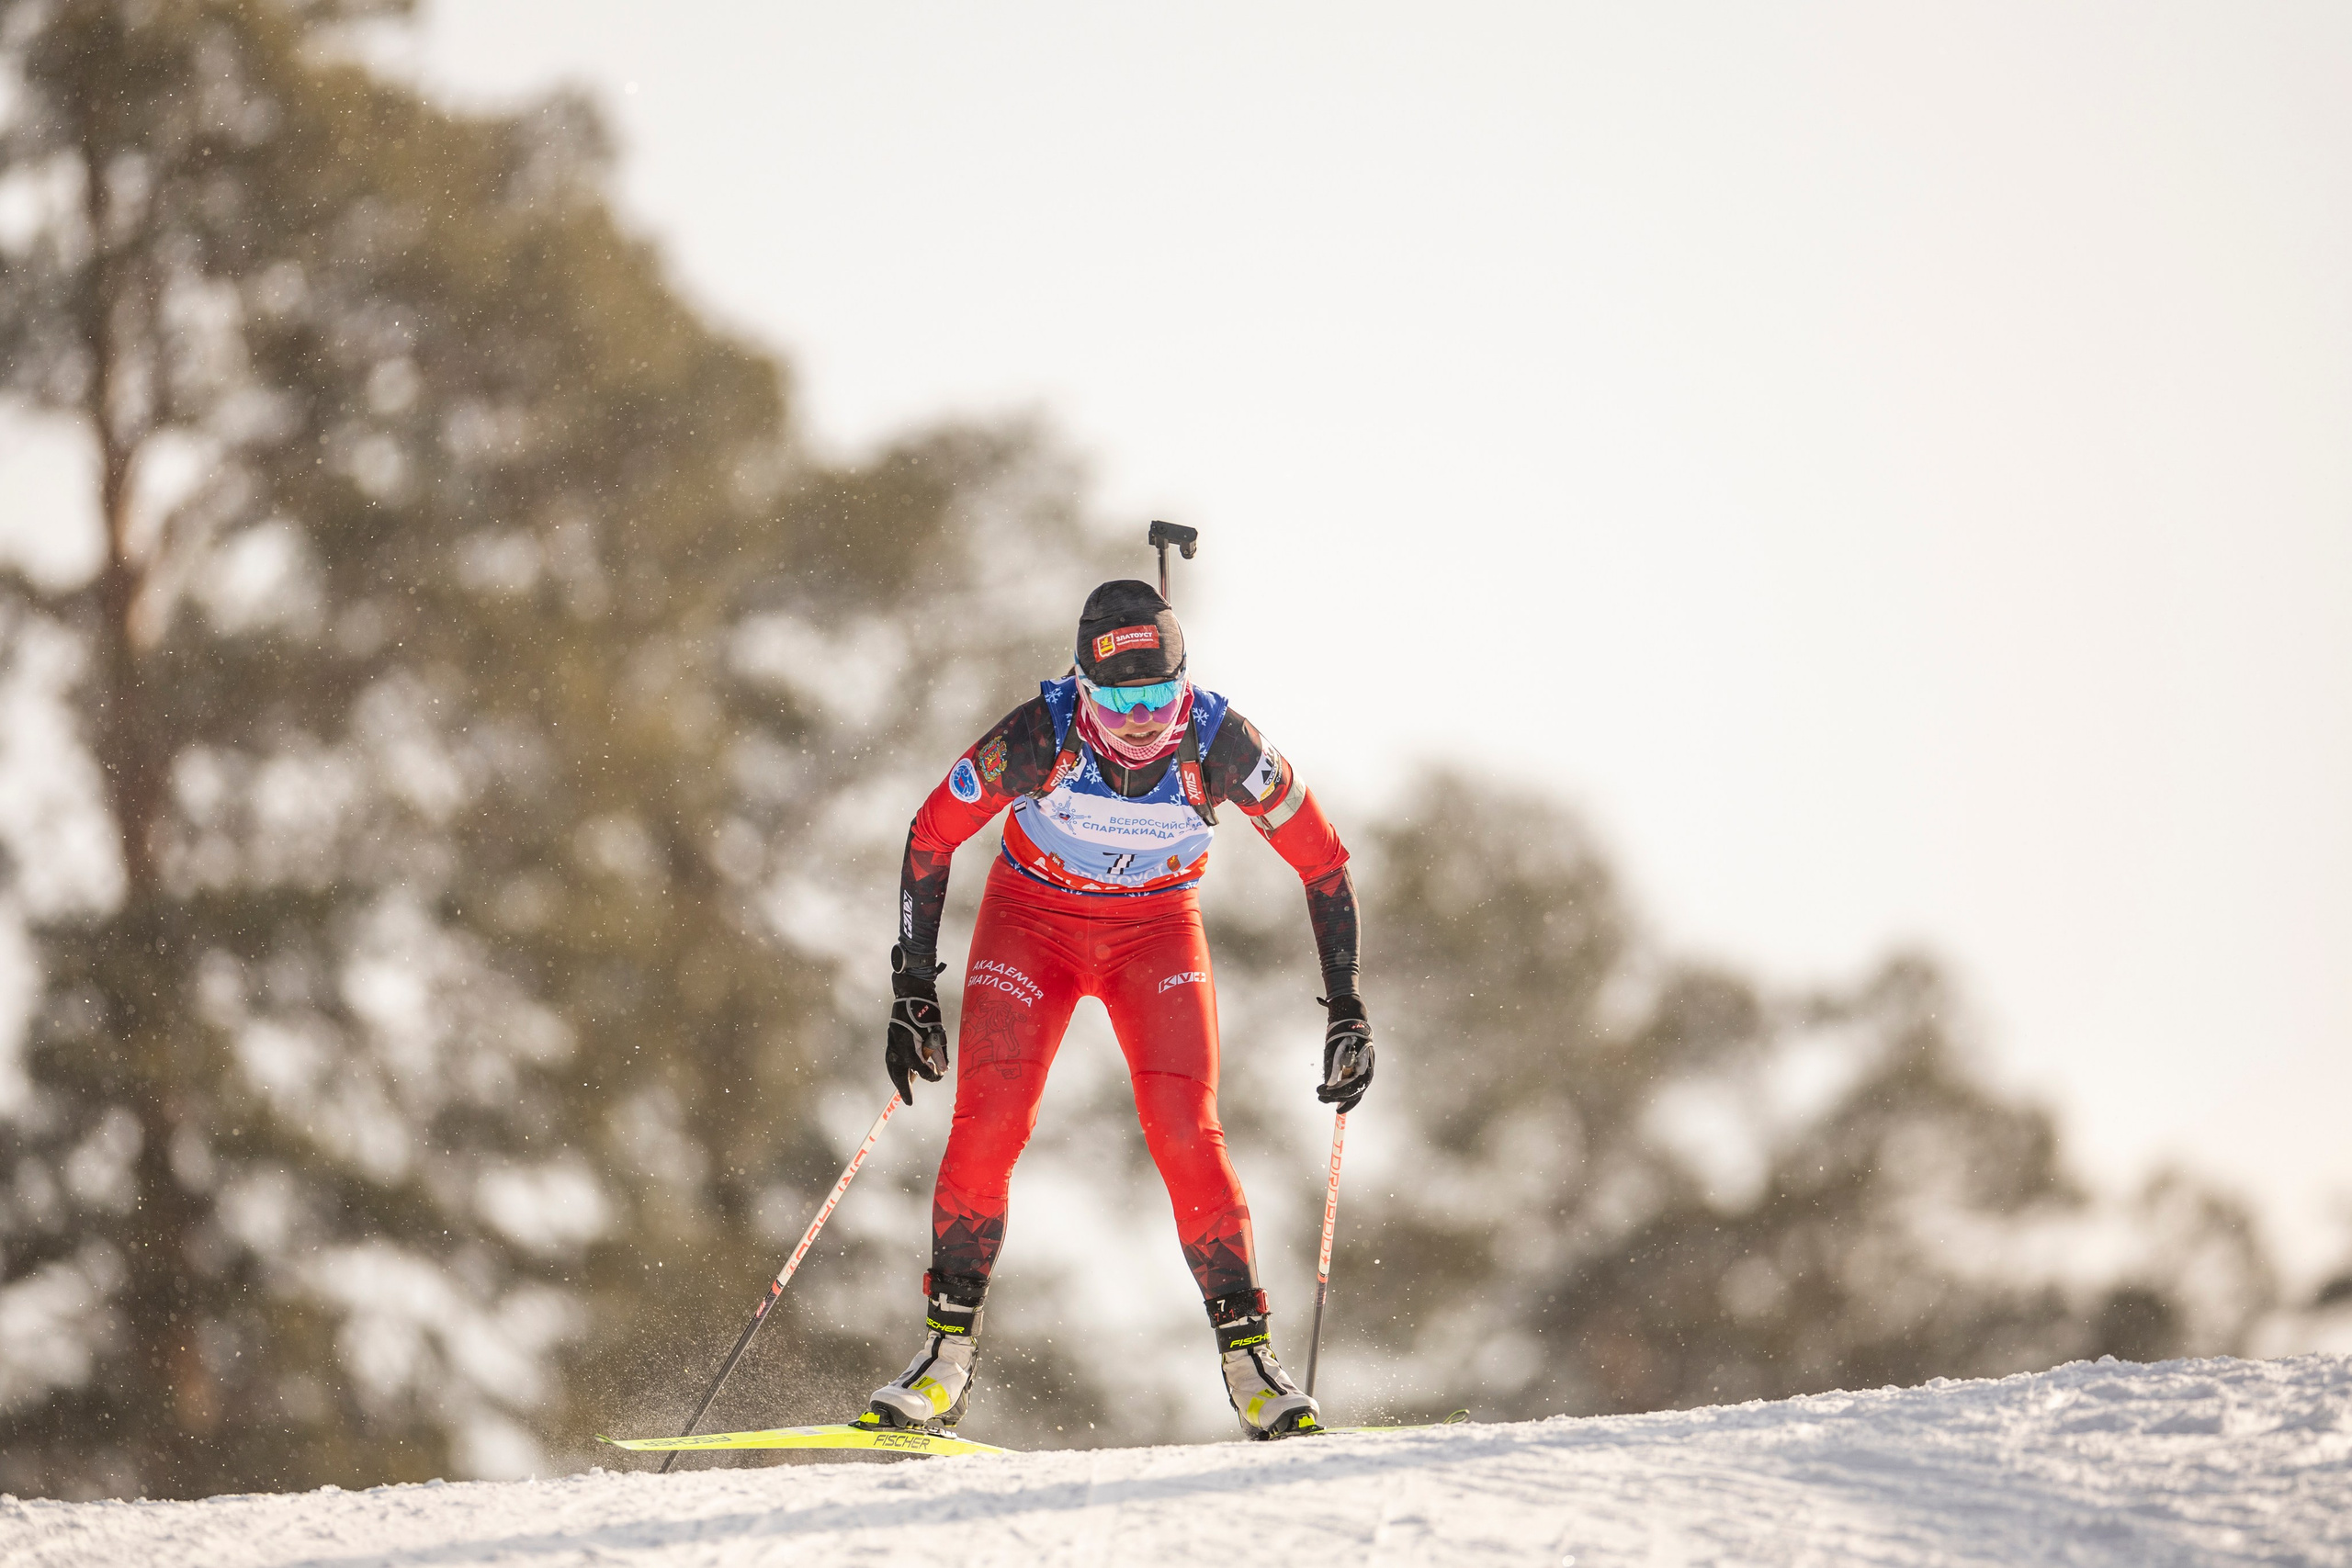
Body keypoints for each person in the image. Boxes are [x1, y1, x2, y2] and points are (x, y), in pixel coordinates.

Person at [859, 579, 1374, 1441]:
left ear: (1186, 679)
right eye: (1119, 697)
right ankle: (945, 1359)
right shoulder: (1040, 735)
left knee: (1184, 1128)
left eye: (1159, 693)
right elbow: (931, 830)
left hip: (1157, 935)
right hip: (1032, 925)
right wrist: (913, 986)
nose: (1140, 716)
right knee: (988, 1124)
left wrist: (1347, 1007)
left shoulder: (1224, 744)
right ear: (1083, 687)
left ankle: (1251, 1362)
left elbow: (1323, 862)